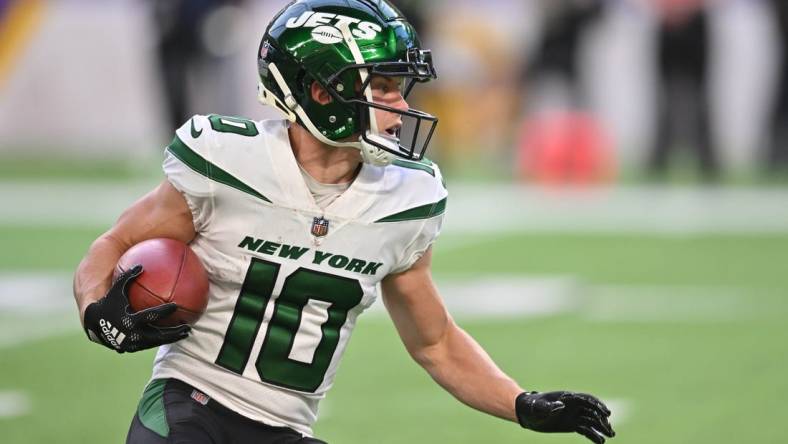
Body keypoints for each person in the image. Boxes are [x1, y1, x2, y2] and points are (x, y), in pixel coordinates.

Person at [73, 1, 615, 443]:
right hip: (188, 406)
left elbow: (436, 344)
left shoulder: (406, 198)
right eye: (381, 88)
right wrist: (98, 308)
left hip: (285, 428)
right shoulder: (226, 161)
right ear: (319, 91)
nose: (399, 105)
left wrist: (521, 404)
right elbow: (117, 243)